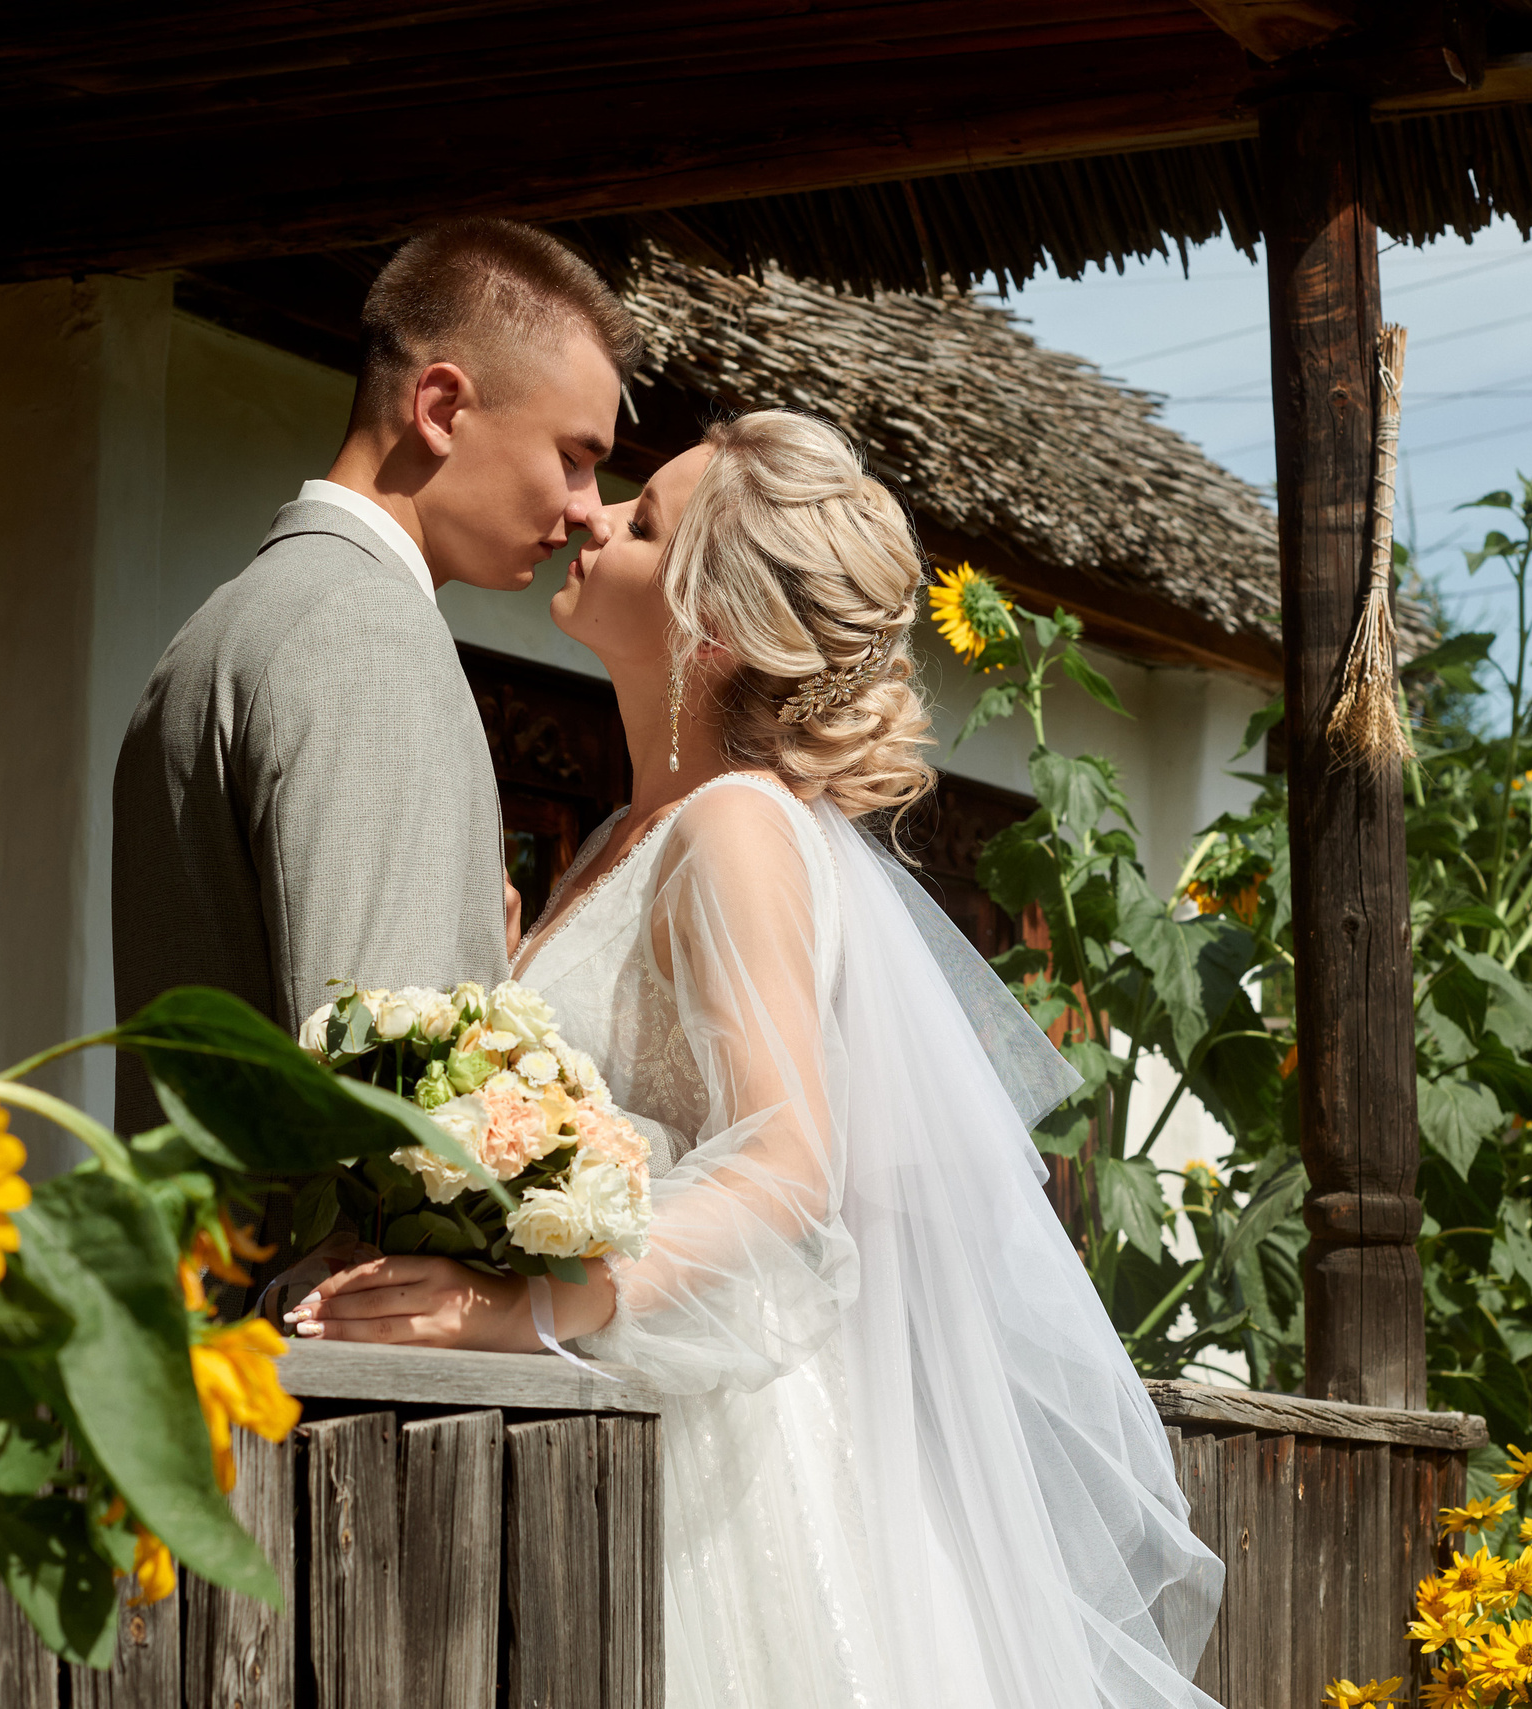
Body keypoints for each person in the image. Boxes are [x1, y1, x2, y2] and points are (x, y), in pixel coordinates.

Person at [287, 411, 1226, 1707]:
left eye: (646, 520)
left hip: (725, 1468)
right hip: (624, 1434)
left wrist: (538, 1309)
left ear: (712, 623)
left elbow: (789, 1159)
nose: (593, 515)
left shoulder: (734, 827)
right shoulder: (632, 830)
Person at [110, 218, 642, 1131]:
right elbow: (391, 1105)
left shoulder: (217, 627)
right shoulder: (370, 634)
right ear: (439, 407)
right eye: (574, 457)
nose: (590, 510)